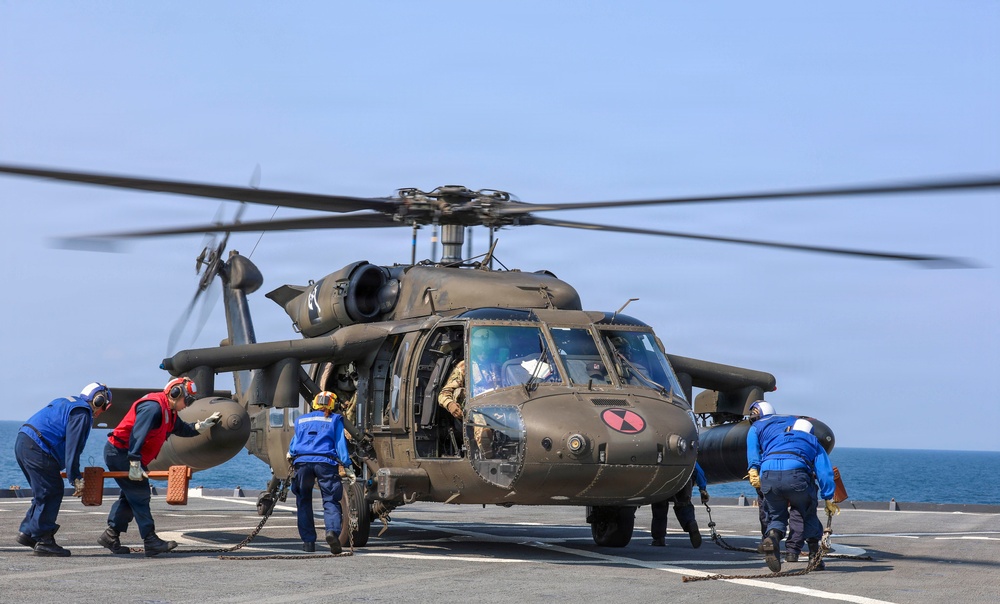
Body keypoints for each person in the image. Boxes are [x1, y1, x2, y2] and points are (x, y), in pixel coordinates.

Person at [100, 377, 221, 557]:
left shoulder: (169, 411)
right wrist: (134, 462)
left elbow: (182, 429)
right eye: (186, 400)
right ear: (175, 393)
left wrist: (202, 426)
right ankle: (150, 540)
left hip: (128, 455)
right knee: (140, 495)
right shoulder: (153, 408)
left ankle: (111, 535)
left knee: (130, 497)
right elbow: (137, 434)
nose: (187, 405)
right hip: (120, 453)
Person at [15, 382, 112, 556]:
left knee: (43, 491)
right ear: (98, 401)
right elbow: (72, 449)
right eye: (104, 408)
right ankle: (44, 540)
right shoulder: (82, 413)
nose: (100, 413)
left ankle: (29, 533)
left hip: (24, 442)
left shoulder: (68, 402)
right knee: (51, 491)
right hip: (38, 448)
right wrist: (75, 477)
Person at [758, 418, 839, 572]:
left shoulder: (776, 439)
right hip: (795, 478)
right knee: (808, 513)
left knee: (776, 517)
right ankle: (814, 558)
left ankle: (773, 537)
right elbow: (824, 472)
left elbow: (764, 462)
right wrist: (828, 496)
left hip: (768, 478)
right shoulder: (812, 441)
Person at [288, 391, 356, 554]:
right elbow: (340, 445)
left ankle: (308, 543)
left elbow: (293, 446)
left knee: (303, 500)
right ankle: (332, 532)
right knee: (331, 499)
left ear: (315, 403)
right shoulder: (335, 420)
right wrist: (348, 466)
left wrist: (292, 456)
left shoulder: (301, 420)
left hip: (302, 463)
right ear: (332, 405)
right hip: (325, 463)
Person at [745, 400, 798, 550]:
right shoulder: (792, 420)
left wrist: (753, 470)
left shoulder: (756, 427)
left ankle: (768, 540)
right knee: (800, 510)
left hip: (769, 473)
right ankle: (794, 549)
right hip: (797, 472)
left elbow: (753, 451)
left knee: (767, 508)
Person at [650, 461, 709, 548]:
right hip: (683, 480)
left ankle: (659, 539)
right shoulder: (683, 453)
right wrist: (702, 489)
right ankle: (690, 523)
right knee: (684, 505)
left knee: (659, 508)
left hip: (661, 479)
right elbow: (697, 470)